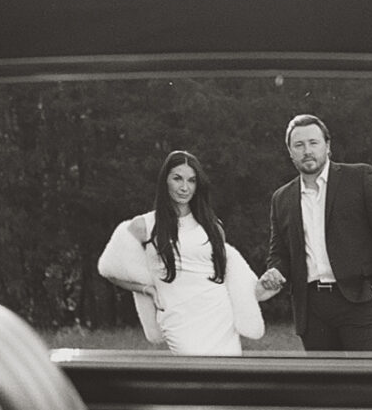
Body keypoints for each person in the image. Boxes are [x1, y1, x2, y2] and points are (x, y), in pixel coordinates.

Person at [98, 150, 276, 355]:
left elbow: (225, 273)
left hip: (218, 315)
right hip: (177, 317)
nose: (184, 187)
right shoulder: (144, 225)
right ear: (165, 181)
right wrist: (147, 289)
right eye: (177, 179)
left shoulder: (213, 227)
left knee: (226, 380)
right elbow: (109, 269)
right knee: (195, 377)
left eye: (191, 181)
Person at [260, 114, 372, 351]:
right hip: (312, 310)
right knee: (325, 388)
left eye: (313, 143)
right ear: (290, 152)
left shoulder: (359, 178)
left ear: (328, 146)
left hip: (360, 300)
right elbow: (279, 253)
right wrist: (274, 270)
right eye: (299, 145)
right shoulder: (281, 198)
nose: (307, 150)